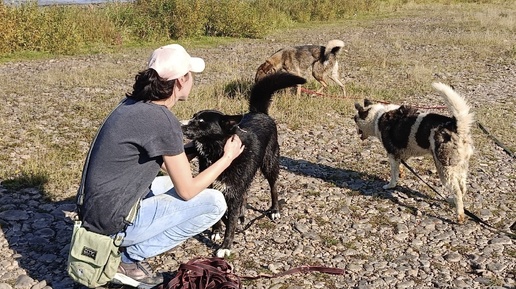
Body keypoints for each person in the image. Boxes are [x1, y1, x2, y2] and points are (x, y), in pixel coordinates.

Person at [77, 44, 245, 289]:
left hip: (94, 212)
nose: (192, 81)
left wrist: (187, 149)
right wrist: (227, 158)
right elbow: (187, 190)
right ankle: (127, 259)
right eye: (191, 76)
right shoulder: (162, 120)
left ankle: (122, 248)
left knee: (169, 183)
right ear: (180, 81)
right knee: (214, 202)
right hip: (111, 223)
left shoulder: (131, 105)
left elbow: (169, 169)